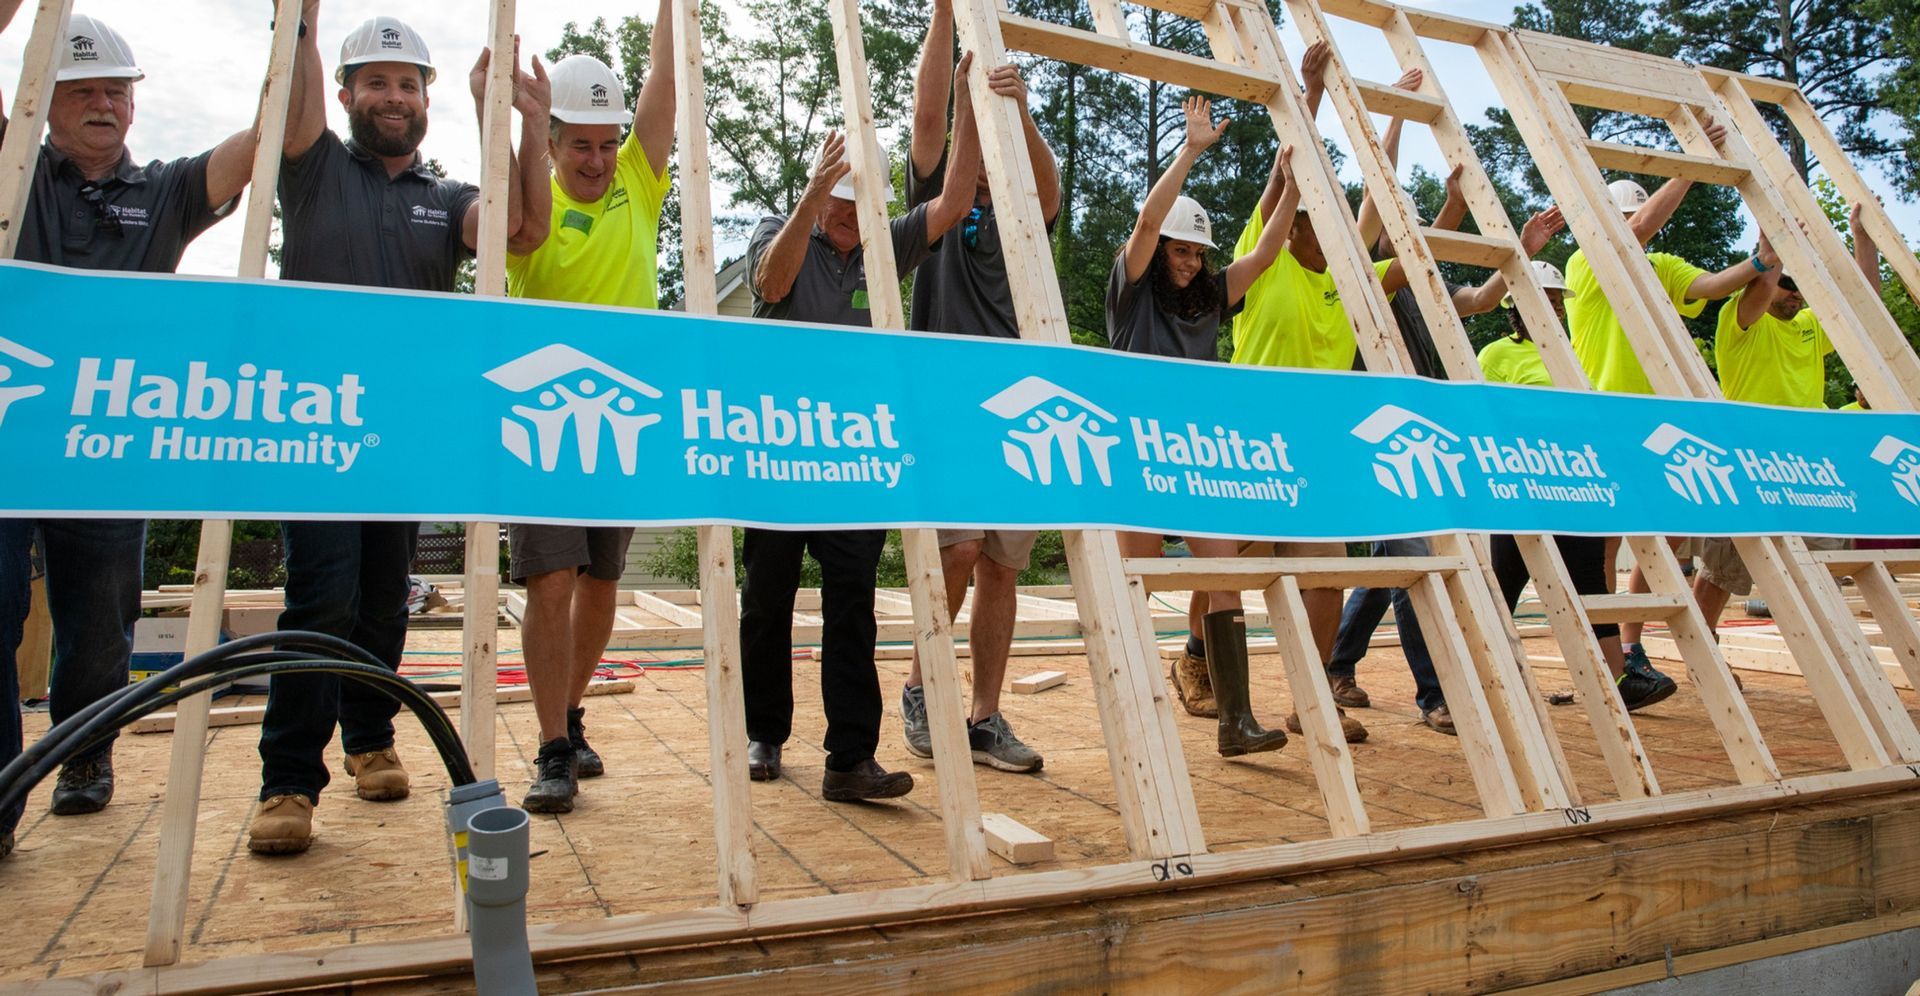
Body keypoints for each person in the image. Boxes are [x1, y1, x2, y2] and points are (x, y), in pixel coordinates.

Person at [249, 4, 550, 854]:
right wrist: (300, 20)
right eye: (375, 81)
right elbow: (295, 79)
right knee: (322, 593)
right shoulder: (310, 170)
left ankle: (370, 736)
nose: (392, 95)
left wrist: (524, 122)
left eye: (407, 84)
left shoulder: (445, 198)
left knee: (385, 596)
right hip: (316, 429)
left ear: (427, 99)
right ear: (346, 94)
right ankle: (287, 782)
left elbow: (522, 231)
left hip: (406, 431)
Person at [0, 9, 261, 859]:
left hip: (108, 448)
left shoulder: (163, 193)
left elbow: (260, 146)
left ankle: (82, 758)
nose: (103, 104)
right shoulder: (13, 173)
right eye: (82, 91)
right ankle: (3, 792)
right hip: (9, 438)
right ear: (44, 101)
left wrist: (297, 28)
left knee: (100, 616)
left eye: (116, 89)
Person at [742, 95, 979, 799]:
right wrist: (815, 192)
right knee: (768, 597)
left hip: (852, 459)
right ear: (818, 198)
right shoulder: (776, 230)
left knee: (853, 604)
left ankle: (850, 758)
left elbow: (956, 197)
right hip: (779, 454)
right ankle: (765, 734)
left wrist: (964, 105)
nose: (848, 219)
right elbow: (770, 283)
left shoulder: (884, 240)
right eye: (838, 206)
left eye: (857, 206)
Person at [1321, 81, 1565, 735]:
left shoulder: (1426, 289)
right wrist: (1394, 119)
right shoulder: (1364, 278)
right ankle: (1434, 695)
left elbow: (1481, 300)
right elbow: (1388, 212)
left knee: (1394, 560)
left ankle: (1335, 663)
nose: (1412, 229)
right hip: (1379, 435)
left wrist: (1522, 249)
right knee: (1419, 559)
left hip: (1424, 432)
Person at [504, 1, 674, 815]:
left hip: (621, 420)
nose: (599, 159)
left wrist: (674, 13)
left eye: (609, 144)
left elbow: (663, 93)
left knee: (601, 578)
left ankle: (570, 718)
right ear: (551, 141)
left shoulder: (637, 186)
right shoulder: (531, 195)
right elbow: (521, 242)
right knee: (551, 577)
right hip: (541, 414)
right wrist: (516, 121)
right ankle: (547, 749)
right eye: (582, 144)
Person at [895, 0, 1060, 775]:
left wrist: (1017, 109)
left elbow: (1051, 191)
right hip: (947, 404)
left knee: (1003, 562)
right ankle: (924, 685)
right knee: (957, 547)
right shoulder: (940, 206)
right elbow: (929, 119)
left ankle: (986, 715)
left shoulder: (1021, 216)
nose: (989, 165)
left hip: (1017, 410)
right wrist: (946, 19)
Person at [1107, 95, 1296, 757]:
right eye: (1178, 251)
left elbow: (1268, 252)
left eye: (1196, 253)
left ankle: (1235, 721)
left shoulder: (1212, 298)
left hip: (1193, 456)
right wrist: (1190, 151)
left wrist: (1295, 189)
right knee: (1139, 581)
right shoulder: (1131, 293)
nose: (1187, 261)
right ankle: (1136, 720)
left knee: (1224, 575)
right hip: (1134, 452)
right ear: (1159, 250)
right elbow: (1149, 217)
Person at [1565, 152, 1778, 690]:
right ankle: (1606, 654)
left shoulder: (1660, 267)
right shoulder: (1583, 261)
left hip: (1661, 422)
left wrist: (1760, 262)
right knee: (1605, 547)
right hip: (1604, 415)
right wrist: (1693, 169)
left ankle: (1632, 647)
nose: (1635, 227)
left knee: (1666, 538)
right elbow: (1635, 230)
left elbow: (1710, 286)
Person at [1479, 258, 1659, 709]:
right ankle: (1481, 680)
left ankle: (1620, 681)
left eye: (1558, 301)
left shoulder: (1577, 352)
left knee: (1590, 583)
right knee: (1504, 584)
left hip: (1578, 487)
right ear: (1515, 306)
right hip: (1524, 488)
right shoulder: (1496, 355)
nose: (1554, 309)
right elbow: (1489, 420)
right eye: (1545, 299)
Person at [1690, 215, 1879, 636]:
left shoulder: (1809, 326)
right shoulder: (1740, 320)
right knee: (1721, 570)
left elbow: (1865, 309)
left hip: (1808, 468)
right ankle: (1704, 654)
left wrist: (1862, 238)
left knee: (1824, 567)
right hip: (1748, 462)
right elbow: (1759, 292)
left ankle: (1833, 653)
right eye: (1786, 284)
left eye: (1800, 287)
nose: (1795, 295)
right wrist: (1771, 252)